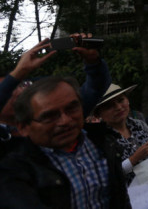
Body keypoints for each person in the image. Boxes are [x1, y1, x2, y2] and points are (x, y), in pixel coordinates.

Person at [0, 76, 131, 208]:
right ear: (23, 127)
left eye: (71, 109)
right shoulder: (14, 172)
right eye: (49, 116)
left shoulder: (103, 142)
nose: (65, 121)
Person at [1, 34, 111, 150]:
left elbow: (94, 89)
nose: (17, 92)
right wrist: (19, 72)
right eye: (7, 88)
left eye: (20, 85)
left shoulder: (64, 116)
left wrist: (93, 62)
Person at [94, 83, 148, 186]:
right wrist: (132, 160)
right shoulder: (100, 139)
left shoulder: (139, 125)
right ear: (99, 114)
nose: (118, 107)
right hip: (127, 197)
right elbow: (105, 176)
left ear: (127, 100)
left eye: (121, 100)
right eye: (109, 106)